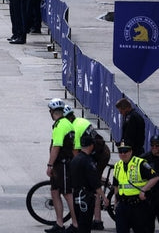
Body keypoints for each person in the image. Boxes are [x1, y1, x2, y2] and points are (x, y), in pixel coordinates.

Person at [111, 142, 157, 233]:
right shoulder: (118, 166)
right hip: (123, 205)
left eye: (125, 151)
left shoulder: (140, 163)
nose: (123, 154)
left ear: (131, 151)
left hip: (138, 206)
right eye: (120, 151)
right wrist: (116, 202)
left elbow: (155, 177)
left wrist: (143, 190)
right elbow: (116, 185)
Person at [45, 98, 74, 233]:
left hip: (62, 164)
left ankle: (75, 224)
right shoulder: (67, 122)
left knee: (67, 193)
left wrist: (50, 165)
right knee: (55, 191)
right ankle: (59, 223)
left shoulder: (60, 125)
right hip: (62, 164)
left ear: (52, 112)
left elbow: (56, 147)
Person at [69, 133, 102, 233]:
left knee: (80, 223)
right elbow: (95, 183)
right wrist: (104, 198)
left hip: (76, 195)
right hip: (86, 197)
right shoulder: (88, 161)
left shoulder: (75, 159)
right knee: (85, 225)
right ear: (91, 145)